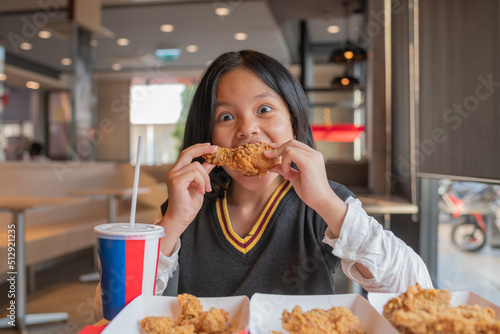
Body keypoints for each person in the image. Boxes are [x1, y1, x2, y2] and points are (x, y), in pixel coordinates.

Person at [94, 49, 432, 318]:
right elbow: (112, 313)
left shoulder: (323, 205)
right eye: (226, 117)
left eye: (265, 109)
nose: (247, 129)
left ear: (294, 123)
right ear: (208, 136)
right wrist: (173, 223)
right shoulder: (188, 209)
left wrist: (327, 203)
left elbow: (417, 292)